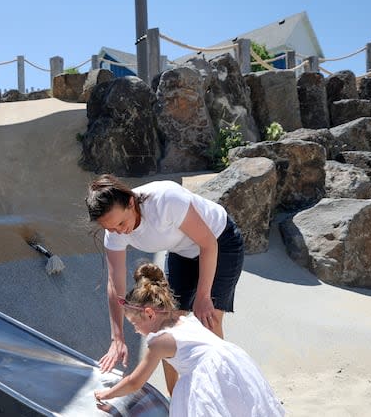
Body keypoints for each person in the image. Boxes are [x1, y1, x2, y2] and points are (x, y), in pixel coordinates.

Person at [85, 173, 244, 388]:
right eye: (110, 228)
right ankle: (175, 397)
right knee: (165, 324)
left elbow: (208, 244)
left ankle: (223, 390)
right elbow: (115, 285)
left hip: (220, 241)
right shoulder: (114, 232)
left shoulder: (166, 200)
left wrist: (203, 296)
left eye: (121, 223)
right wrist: (117, 337)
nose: (119, 231)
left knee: (209, 319)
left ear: (131, 202)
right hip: (182, 252)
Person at [93, 262, 284, 417]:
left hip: (207, 375)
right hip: (232, 363)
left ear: (150, 314)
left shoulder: (158, 342)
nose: (135, 330)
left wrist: (107, 394)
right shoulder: (184, 319)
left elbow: (135, 381)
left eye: (134, 323)